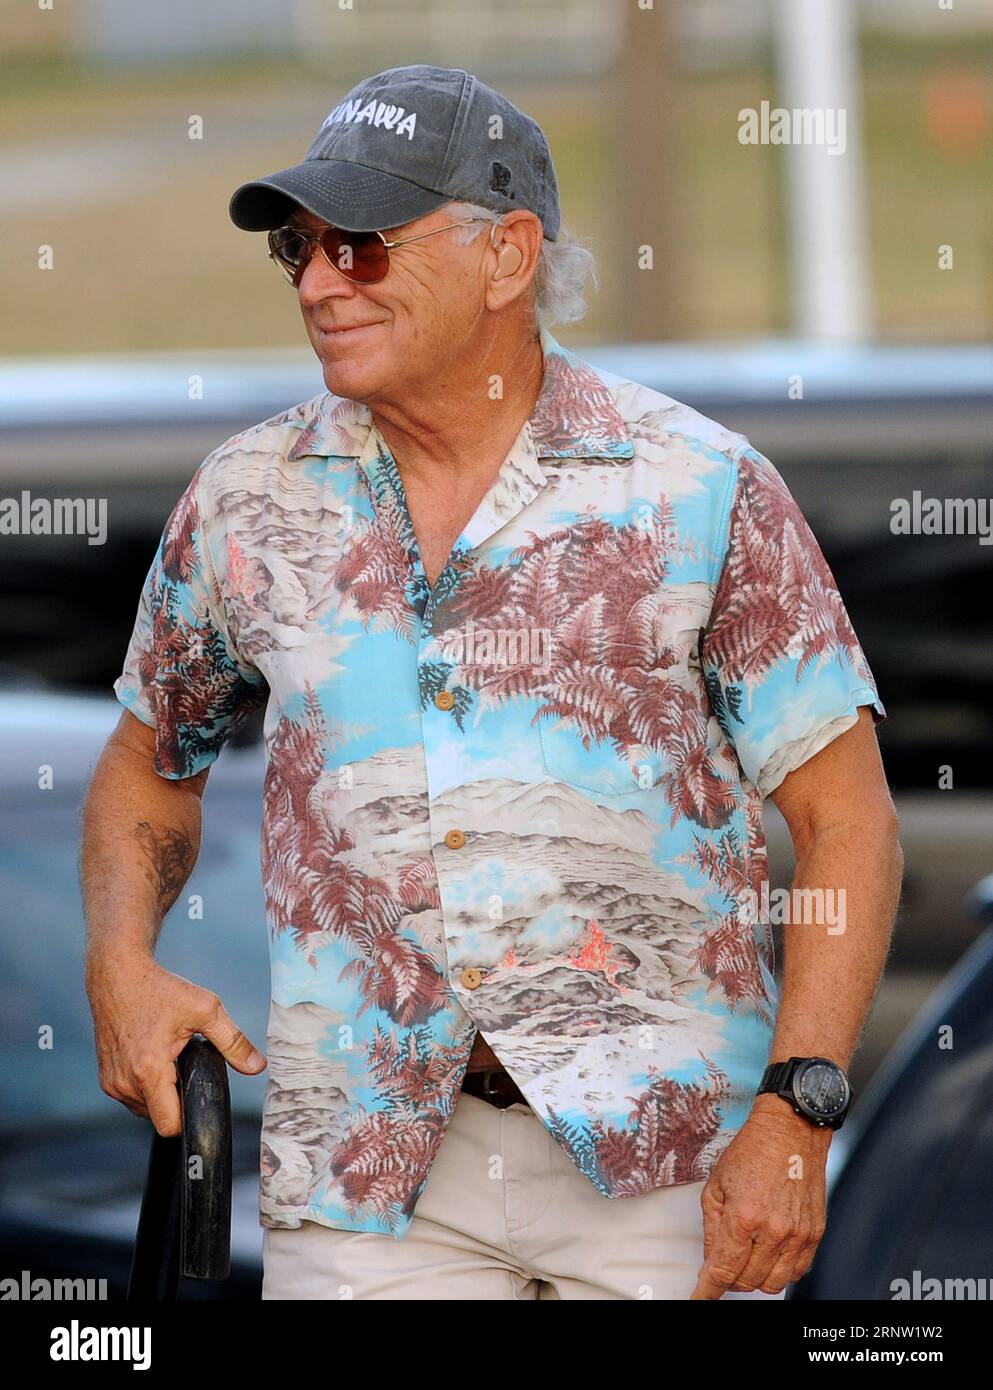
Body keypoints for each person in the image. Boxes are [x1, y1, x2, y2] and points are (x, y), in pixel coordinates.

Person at [82, 64, 902, 1301]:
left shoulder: (699, 487)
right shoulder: (247, 498)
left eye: (362, 246)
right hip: (367, 1171)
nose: (315, 281)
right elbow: (149, 768)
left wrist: (799, 1112)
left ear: (509, 255)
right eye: (300, 248)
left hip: (677, 1168)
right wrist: (120, 964)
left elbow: (848, 824)